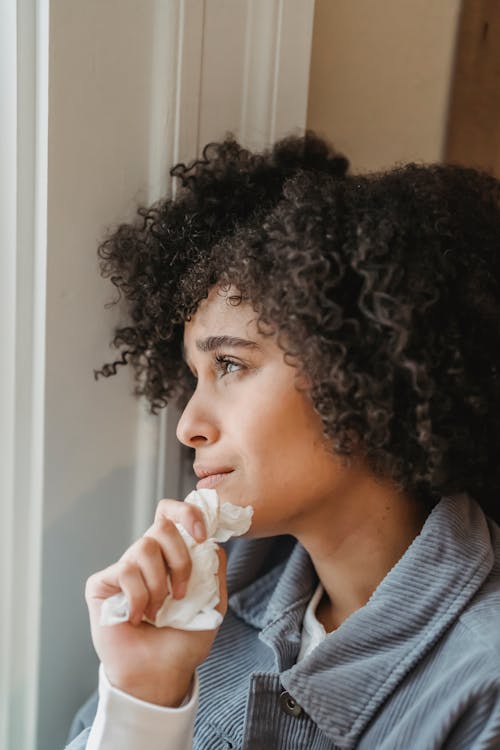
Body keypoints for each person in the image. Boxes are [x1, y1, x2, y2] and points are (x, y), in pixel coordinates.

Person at [66, 134, 500, 749]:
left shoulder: (484, 686)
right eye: (194, 376)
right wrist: (143, 696)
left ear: (364, 366)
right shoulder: (202, 598)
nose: (189, 423)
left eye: (232, 366)